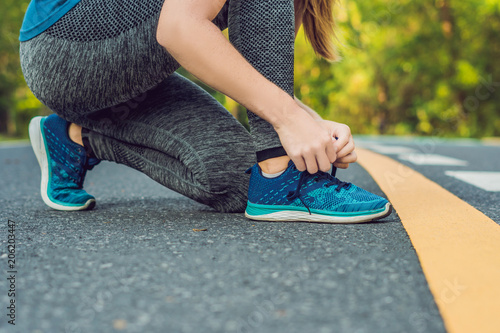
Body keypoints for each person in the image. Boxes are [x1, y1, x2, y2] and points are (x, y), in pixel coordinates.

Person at [19, 0, 392, 223]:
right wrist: (290, 123)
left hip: (127, 72)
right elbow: (180, 29)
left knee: (240, 181)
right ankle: (280, 177)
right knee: (271, 177)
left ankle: (74, 137)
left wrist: (309, 124)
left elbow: (259, 82)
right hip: (66, 47)